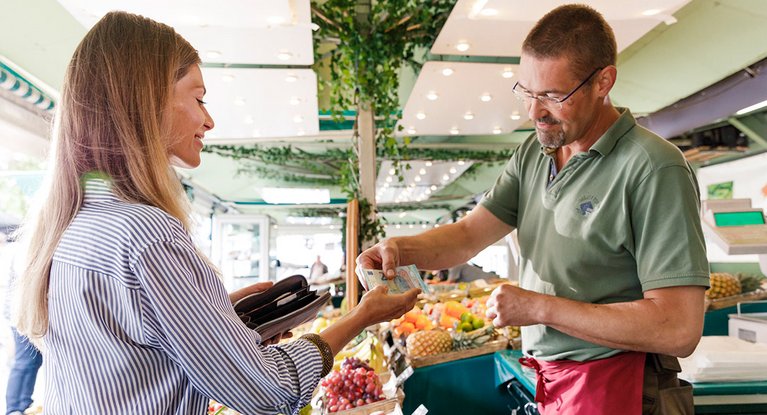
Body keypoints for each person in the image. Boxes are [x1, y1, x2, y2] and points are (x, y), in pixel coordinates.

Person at [13, 11, 419, 415]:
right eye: (198, 97)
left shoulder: (72, 225)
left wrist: (217, 315)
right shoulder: (147, 235)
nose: (209, 120)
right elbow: (268, 391)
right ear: (147, 97)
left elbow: (126, 357)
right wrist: (361, 317)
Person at [358, 4, 709, 414]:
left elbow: (678, 328)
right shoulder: (535, 152)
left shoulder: (653, 167)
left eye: (554, 96)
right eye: (528, 92)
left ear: (604, 81)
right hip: (554, 381)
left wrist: (538, 307)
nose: (535, 113)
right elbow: (471, 233)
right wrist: (400, 249)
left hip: (623, 385)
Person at [2, 236, 42, 415]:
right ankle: (16, 407)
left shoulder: (22, 246)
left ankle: (20, 405)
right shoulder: (25, 248)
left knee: (29, 361)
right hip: (24, 313)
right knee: (27, 361)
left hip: (22, 312)